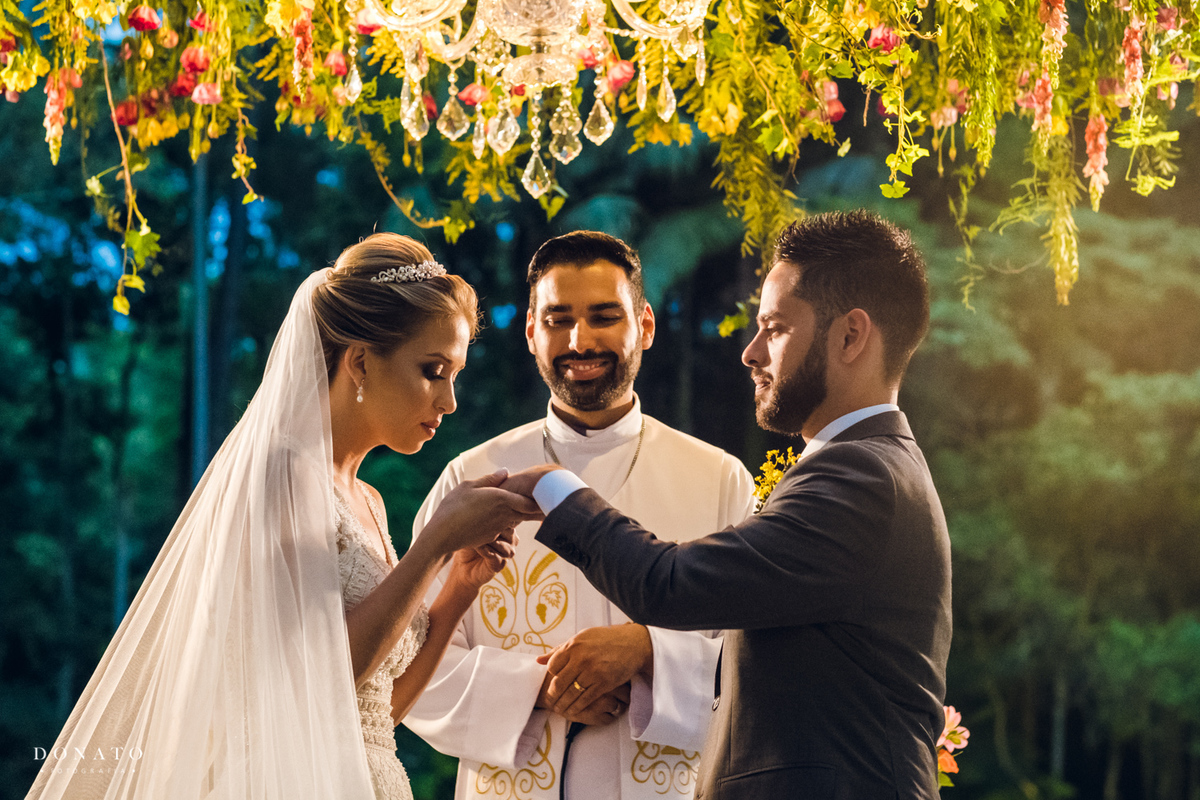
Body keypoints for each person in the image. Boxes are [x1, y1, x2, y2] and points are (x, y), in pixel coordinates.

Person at [26, 233, 538, 800]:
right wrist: (434, 542)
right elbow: (315, 685)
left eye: (455, 375)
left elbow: (374, 713)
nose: (449, 401)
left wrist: (460, 587)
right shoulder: (282, 477)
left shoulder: (368, 501)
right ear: (362, 361)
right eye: (433, 370)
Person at [485, 211, 953, 799]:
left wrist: (554, 487)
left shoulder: (860, 476)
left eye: (775, 328)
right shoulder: (868, 466)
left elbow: (670, 584)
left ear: (850, 336)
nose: (750, 353)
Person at [403, 231, 756, 800]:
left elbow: (758, 664)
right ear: (530, 333)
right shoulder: (470, 479)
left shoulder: (721, 481)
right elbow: (411, 664)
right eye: (558, 319)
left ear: (644, 324)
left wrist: (645, 652)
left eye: (603, 317)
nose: (579, 340)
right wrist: (539, 688)